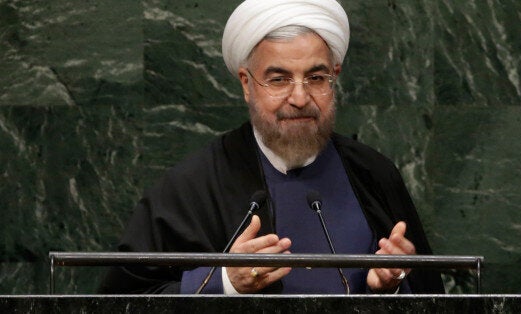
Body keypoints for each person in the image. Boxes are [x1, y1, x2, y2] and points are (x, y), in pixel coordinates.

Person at [99, 0, 444, 294]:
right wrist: (226, 282)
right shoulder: (191, 188)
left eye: (316, 78)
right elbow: (123, 299)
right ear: (247, 84)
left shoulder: (374, 175)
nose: (299, 97)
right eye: (278, 79)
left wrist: (390, 286)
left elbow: (430, 295)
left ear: (334, 76)